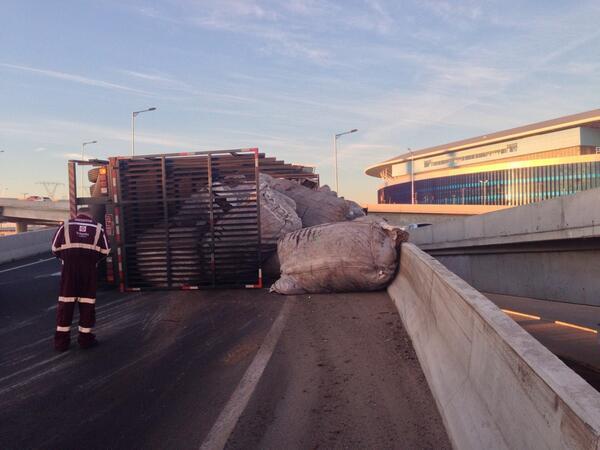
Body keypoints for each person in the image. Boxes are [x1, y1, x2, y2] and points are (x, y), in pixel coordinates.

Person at [51, 207, 110, 351]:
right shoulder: (98, 228)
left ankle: (61, 343)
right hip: (88, 271)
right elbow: (106, 250)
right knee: (87, 304)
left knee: (66, 304)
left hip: (69, 271)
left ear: (77, 214)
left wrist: (66, 259)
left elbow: (54, 248)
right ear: (90, 216)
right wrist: (92, 261)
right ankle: (85, 340)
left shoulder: (65, 225)